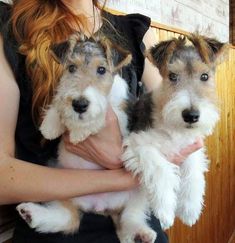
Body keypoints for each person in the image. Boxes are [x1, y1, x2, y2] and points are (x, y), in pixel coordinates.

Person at [0, 0, 203, 242]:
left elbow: (182, 130)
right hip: (55, 225)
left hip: (137, 218)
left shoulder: (137, 34)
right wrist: (121, 176)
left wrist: (122, 159)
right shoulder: (13, 27)